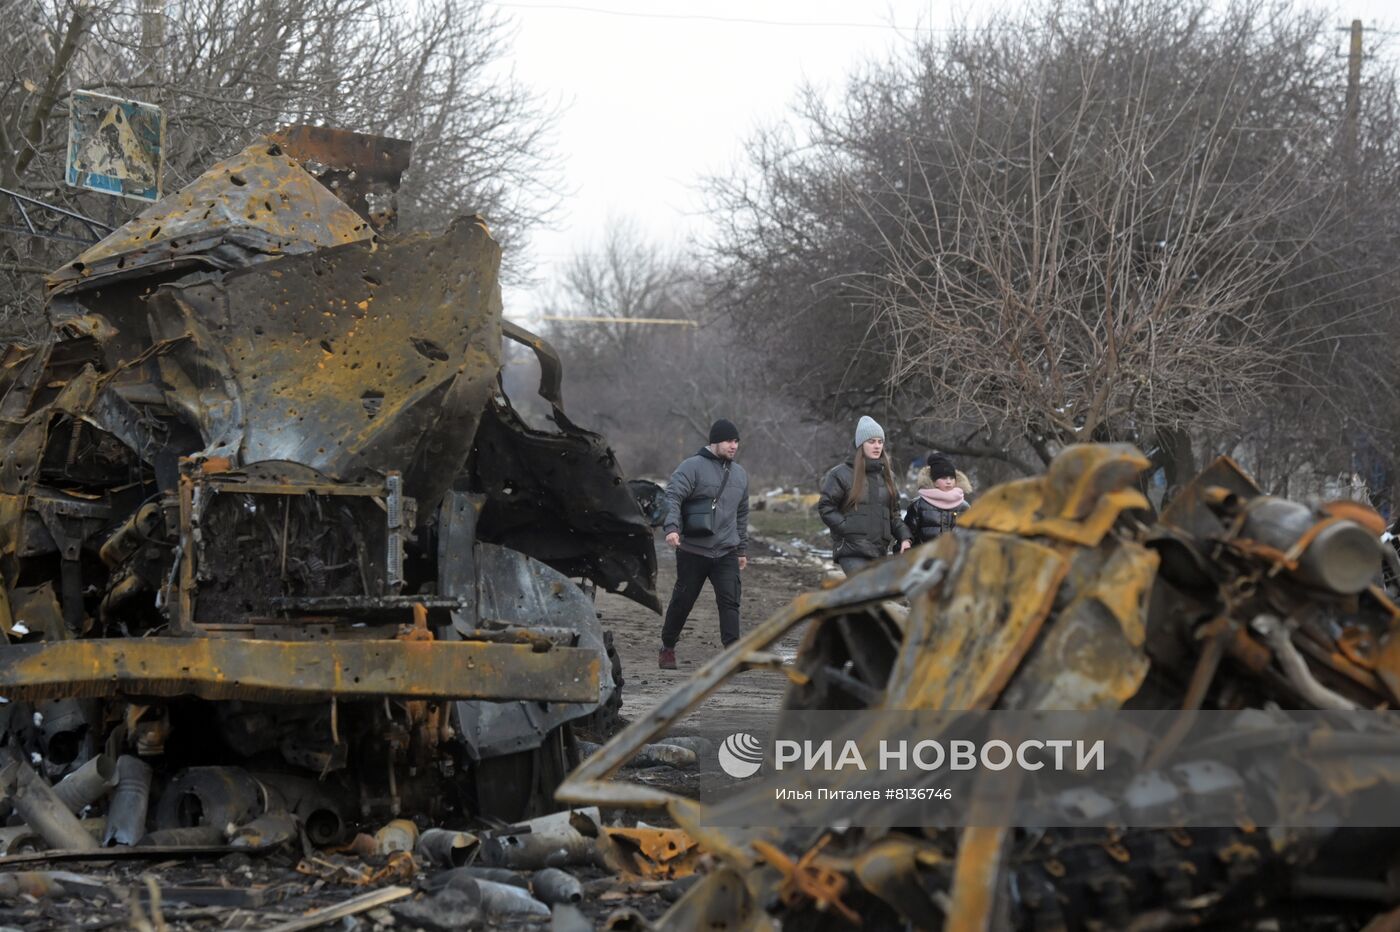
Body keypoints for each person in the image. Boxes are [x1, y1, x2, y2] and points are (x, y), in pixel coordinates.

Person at [658, 418, 749, 669]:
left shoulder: (740, 474)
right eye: (729, 441)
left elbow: (742, 514)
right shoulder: (691, 467)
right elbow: (673, 497)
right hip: (693, 550)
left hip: (727, 551)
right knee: (683, 601)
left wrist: (741, 548)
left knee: (730, 602)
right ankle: (667, 646)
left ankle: (733, 654)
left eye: (736, 442)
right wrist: (672, 528)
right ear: (715, 441)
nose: (733, 446)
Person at [818, 416, 912, 576]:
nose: (877, 446)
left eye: (880, 442)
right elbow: (826, 506)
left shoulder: (889, 476)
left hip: (879, 551)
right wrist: (847, 528)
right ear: (861, 444)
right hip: (851, 550)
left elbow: (894, 515)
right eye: (871, 441)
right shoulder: (841, 474)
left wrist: (905, 537)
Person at [904, 452, 971, 545]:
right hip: (926, 557)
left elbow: (972, 538)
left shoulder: (964, 507)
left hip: (956, 558)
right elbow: (907, 537)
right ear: (934, 481)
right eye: (943, 478)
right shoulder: (918, 506)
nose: (948, 482)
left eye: (951, 478)